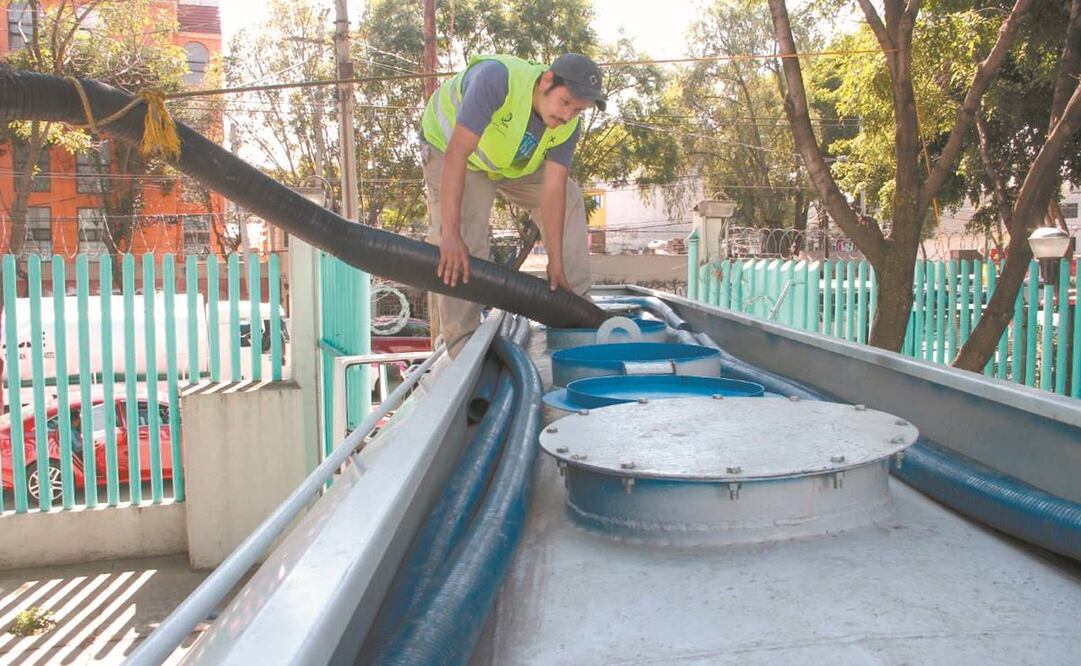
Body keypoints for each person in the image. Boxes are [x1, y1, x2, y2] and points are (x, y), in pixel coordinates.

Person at [420, 52, 607, 356]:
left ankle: (576, 313)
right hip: (453, 153)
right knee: (465, 240)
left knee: (571, 197)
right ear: (547, 81)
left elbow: (554, 190)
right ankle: (461, 347)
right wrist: (449, 235)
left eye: (578, 110)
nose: (568, 115)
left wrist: (555, 264)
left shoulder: (567, 125)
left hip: (511, 163)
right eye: (565, 102)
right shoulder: (496, 80)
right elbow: (457, 154)